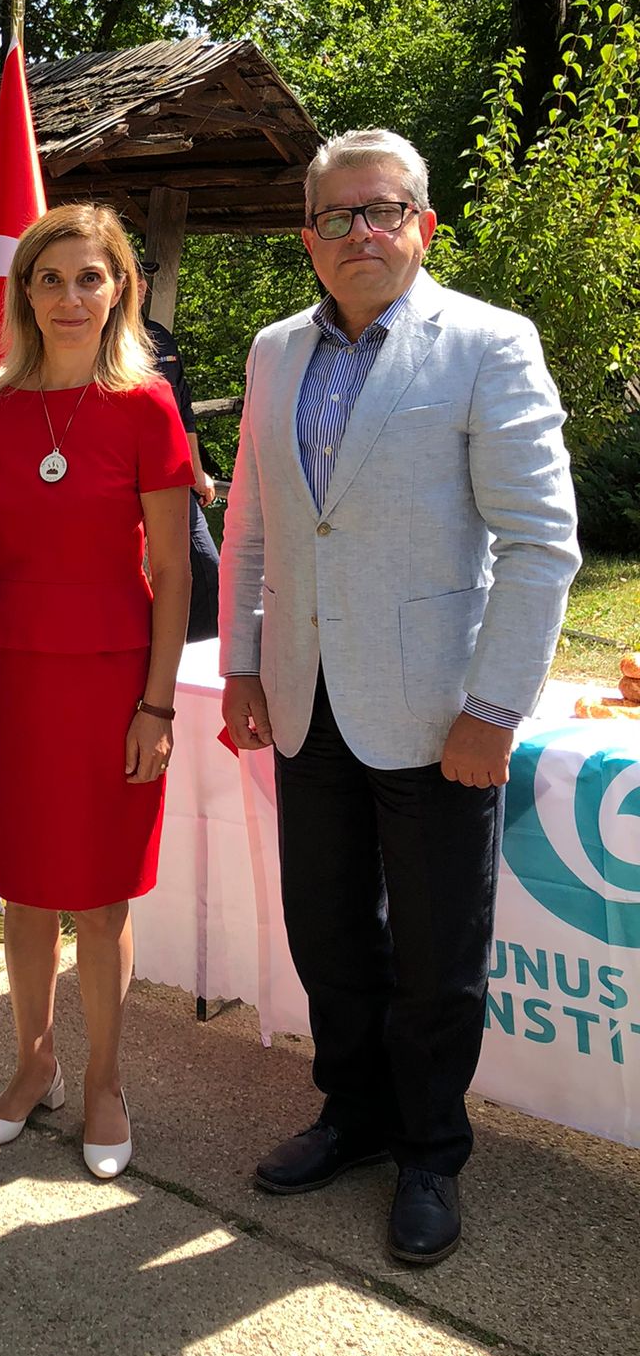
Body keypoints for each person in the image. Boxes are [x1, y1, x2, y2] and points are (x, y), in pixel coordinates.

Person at [220, 126, 579, 1267]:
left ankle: (430, 1148)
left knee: (435, 953)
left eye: (382, 211)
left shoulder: (488, 342)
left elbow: (541, 544)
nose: (360, 232)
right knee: (327, 932)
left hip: (439, 714)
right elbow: (254, 524)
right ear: (309, 239)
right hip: (304, 697)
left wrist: (495, 707)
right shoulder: (275, 350)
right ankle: (355, 1113)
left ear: (422, 225)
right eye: (337, 216)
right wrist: (241, 663)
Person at [0, 205, 192, 1180]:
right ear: (25, 292)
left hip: (113, 680)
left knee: (99, 893)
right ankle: (32, 1063)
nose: (70, 296)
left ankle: (103, 1080)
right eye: (51, 278)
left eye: (91, 277)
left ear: (120, 287)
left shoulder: (146, 406)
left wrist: (158, 707)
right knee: (24, 884)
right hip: (8, 674)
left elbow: (172, 569)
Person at [141, 271, 221, 641]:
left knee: (205, 569)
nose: (139, 286)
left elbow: (182, 409)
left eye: (143, 280)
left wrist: (196, 471)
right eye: (130, 277)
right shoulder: (94, 338)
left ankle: (195, 656)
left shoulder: (160, 336)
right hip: (119, 481)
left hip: (171, 476)